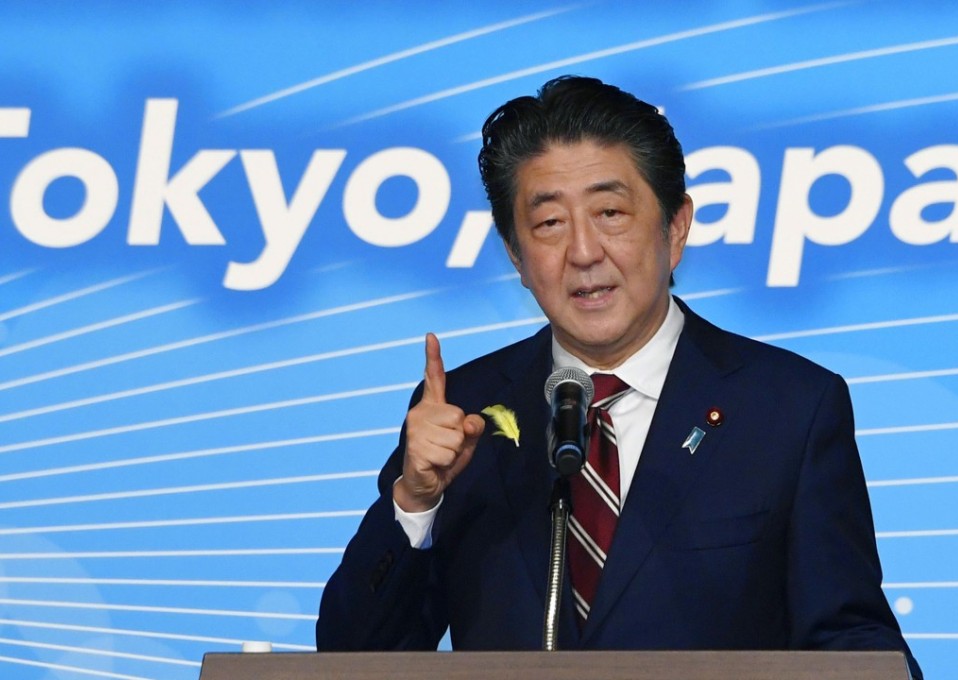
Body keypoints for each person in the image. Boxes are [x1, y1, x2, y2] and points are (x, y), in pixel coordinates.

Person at [316, 75, 922, 679]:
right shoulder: (465, 412)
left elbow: (850, 641)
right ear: (516, 254)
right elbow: (352, 657)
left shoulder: (788, 408)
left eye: (610, 213)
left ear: (675, 228)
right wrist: (415, 502)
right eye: (549, 223)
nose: (583, 252)